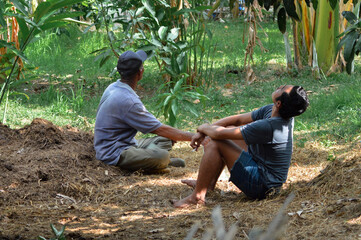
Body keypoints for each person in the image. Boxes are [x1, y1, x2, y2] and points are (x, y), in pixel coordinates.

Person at [172, 85, 309, 208]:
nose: (279, 86)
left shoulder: (270, 126)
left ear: (279, 103)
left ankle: (197, 197)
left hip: (262, 186)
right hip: (262, 169)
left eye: (282, 88)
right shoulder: (276, 111)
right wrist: (206, 131)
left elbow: (218, 134)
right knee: (229, 129)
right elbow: (237, 120)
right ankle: (208, 185)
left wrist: (202, 128)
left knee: (216, 142)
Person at [94, 50, 194, 173]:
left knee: (166, 139)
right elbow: (159, 129)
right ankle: (157, 163)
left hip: (126, 144)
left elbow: (161, 131)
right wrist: (194, 137)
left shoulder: (113, 86)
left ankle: (151, 160)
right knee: (162, 155)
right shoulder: (128, 101)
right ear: (140, 72)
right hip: (113, 153)